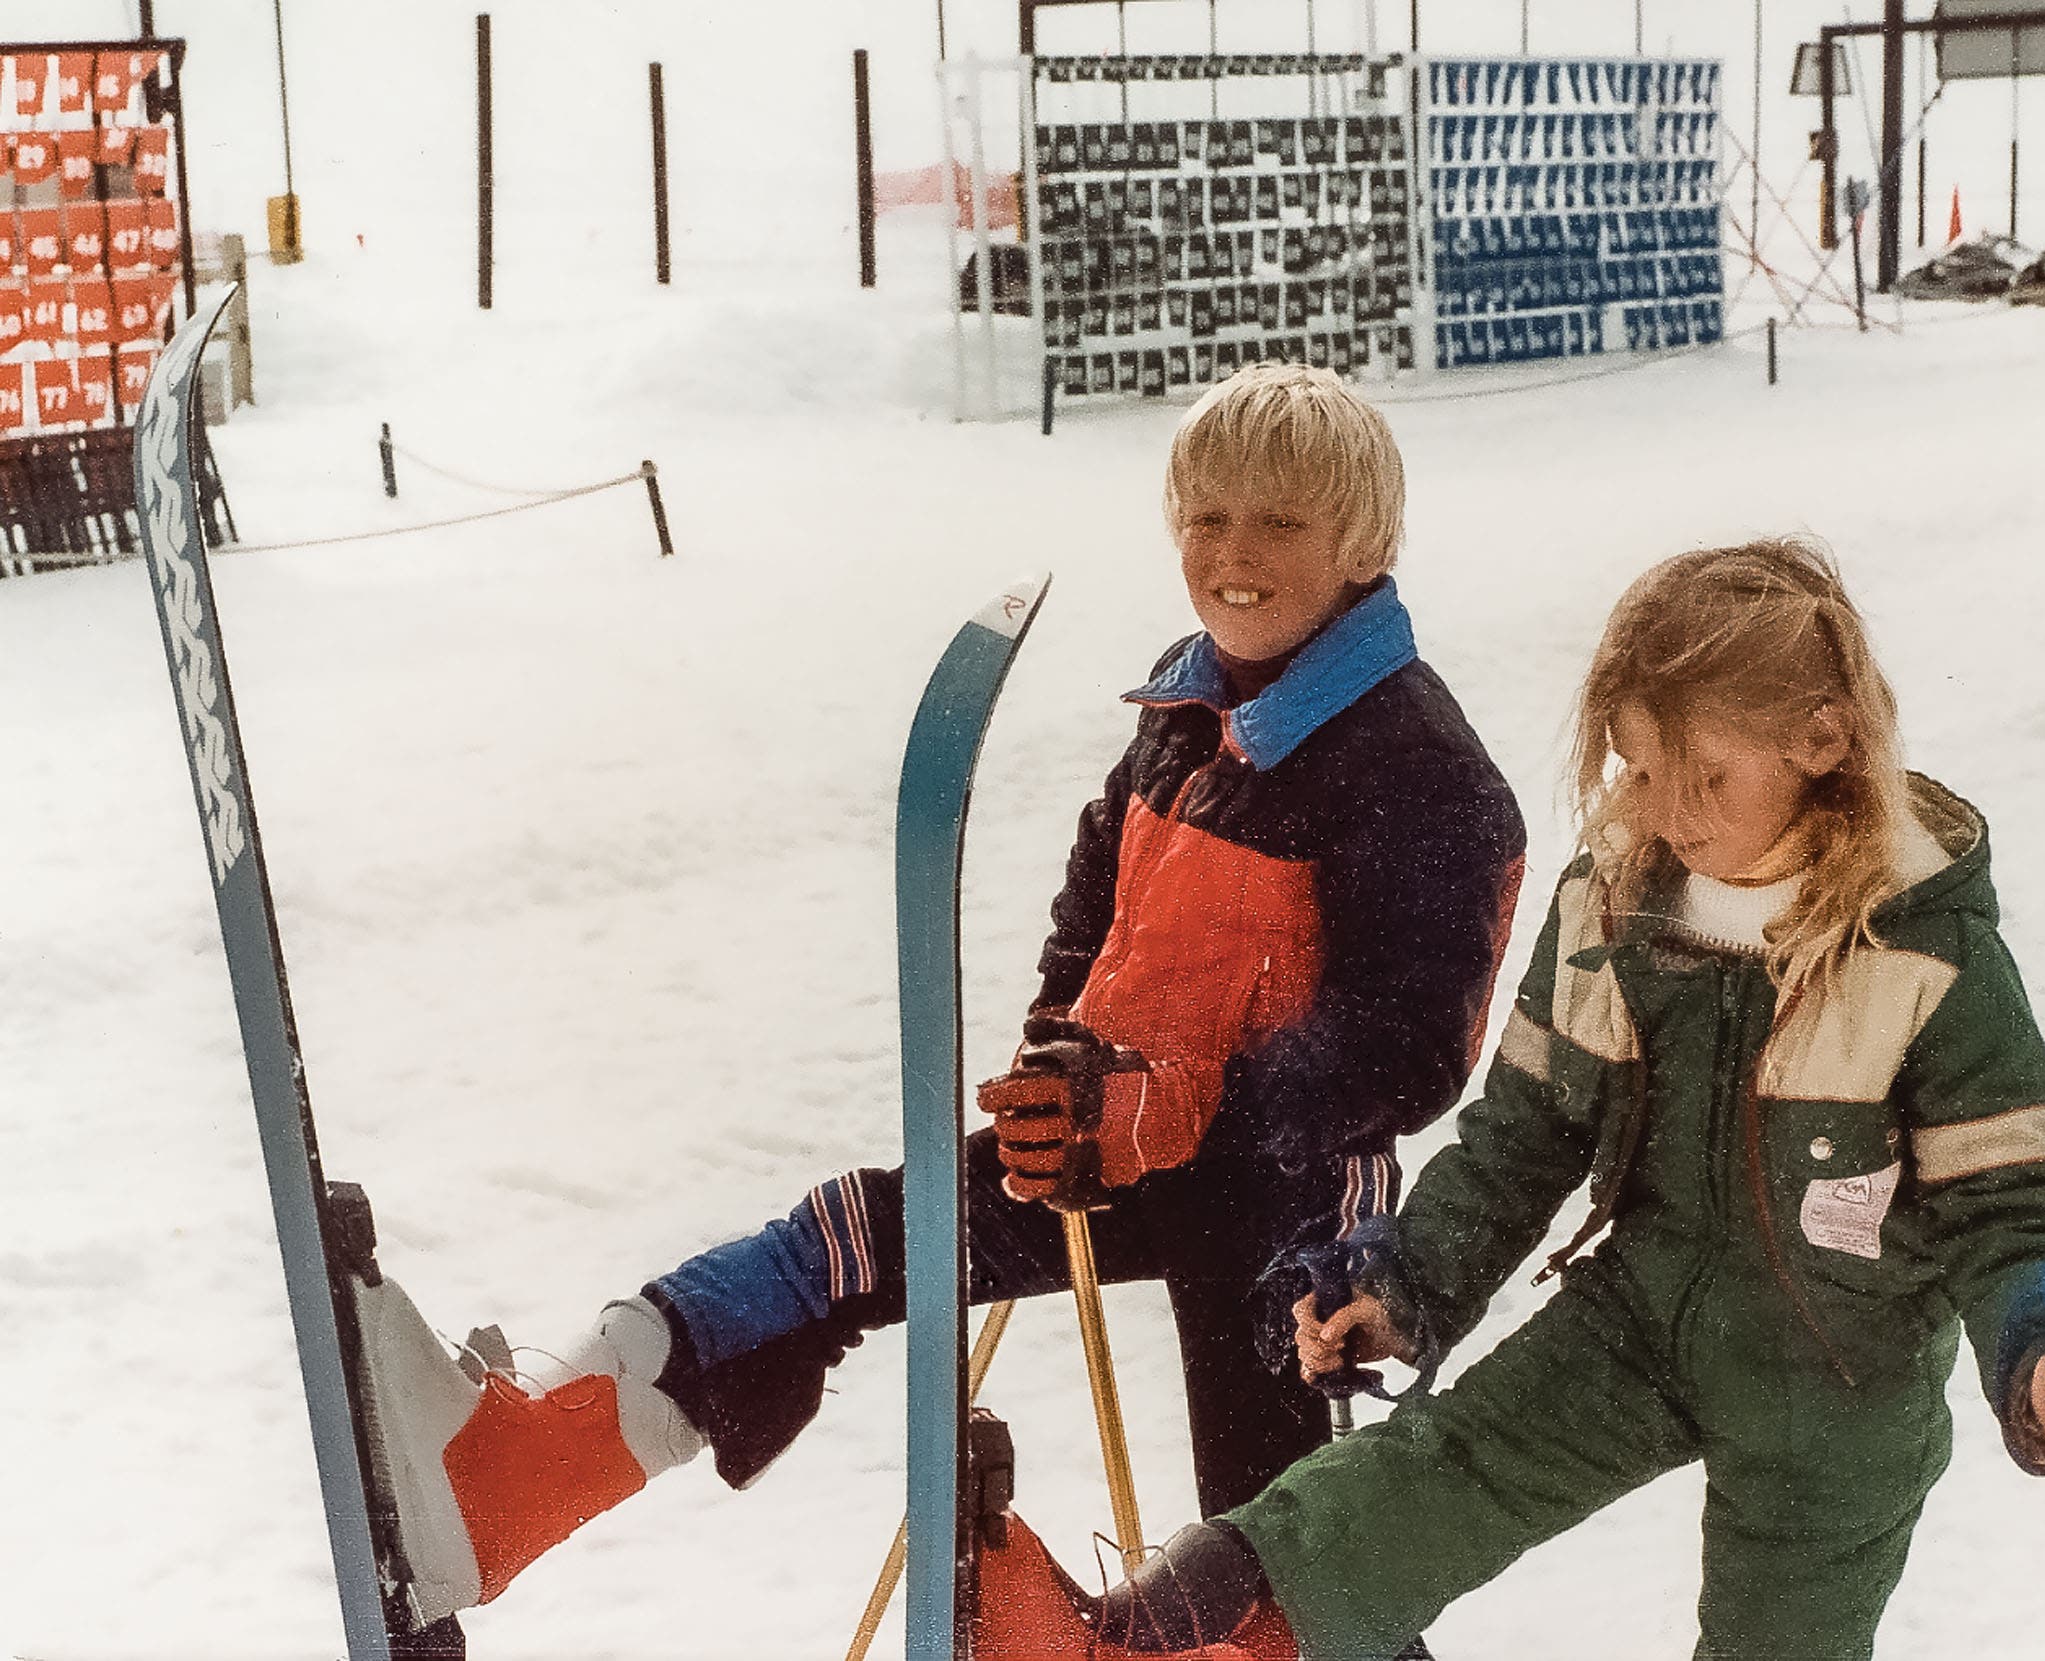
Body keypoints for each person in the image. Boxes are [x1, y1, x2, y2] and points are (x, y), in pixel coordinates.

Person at [356, 362, 1526, 1626]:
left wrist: (1164, 1110)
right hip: (1108, 1135)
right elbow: (1102, 881)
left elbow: (1405, 1051)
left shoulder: (1421, 769)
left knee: (1281, 1511)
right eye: (1206, 518)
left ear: (1364, 543)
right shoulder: (1189, 698)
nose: (1231, 554)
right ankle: (506, 1481)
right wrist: (1059, 1056)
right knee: (843, 1240)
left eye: (1279, 524)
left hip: (1287, 1192)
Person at [1092, 537, 2045, 1661]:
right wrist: (1406, 1280)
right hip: (1637, 1319)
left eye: (1707, 776)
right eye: (1641, 769)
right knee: (1432, 1469)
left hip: (1839, 1383)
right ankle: (1190, 1619)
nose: (1668, 809)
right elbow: (1525, 1131)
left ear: (1823, 740)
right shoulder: (1616, 900)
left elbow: (2011, 1198)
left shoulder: (1923, 954)